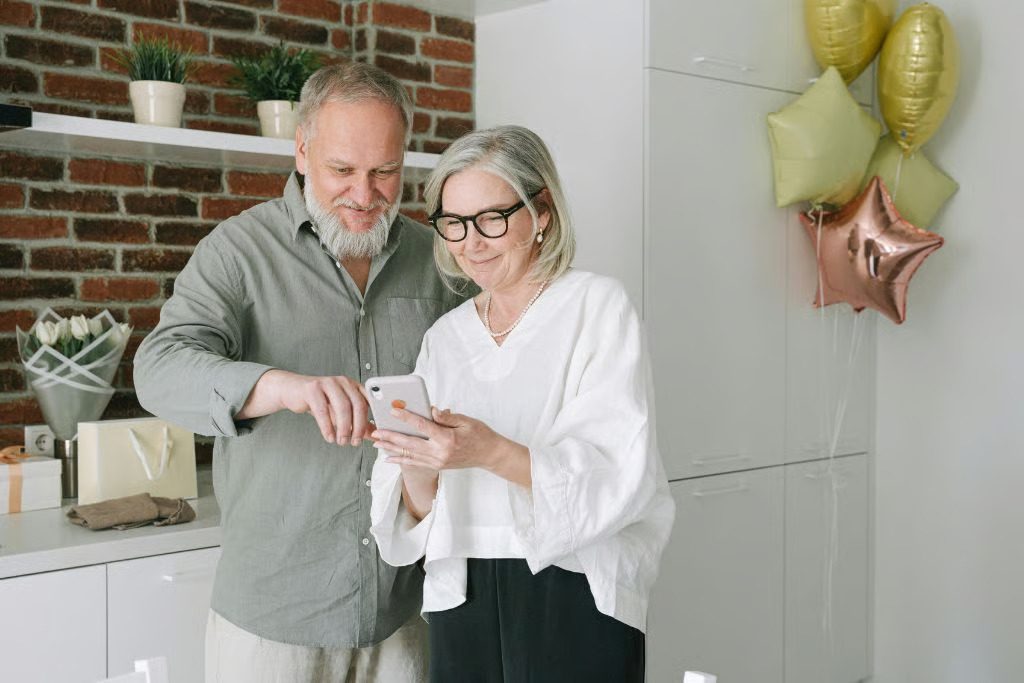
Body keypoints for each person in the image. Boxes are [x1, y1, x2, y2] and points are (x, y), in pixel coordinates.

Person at [133, 62, 466, 682]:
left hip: (405, 612)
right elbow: (158, 368)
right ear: (303, 151)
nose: (364, 195)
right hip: (273, 621)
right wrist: (279, 386)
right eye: (342, 170)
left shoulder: (440, 260)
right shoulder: (238, 251)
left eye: (385, 171)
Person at [368, 125, 675, 682]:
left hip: (574, 584)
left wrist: (487, 451)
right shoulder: (445, 337)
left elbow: (617, 471)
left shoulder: (596, 307)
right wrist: (417, 461)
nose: (471, 242)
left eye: (492, 218)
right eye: (454, 222)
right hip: (461, 590)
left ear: (542, 213)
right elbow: (418, 512)